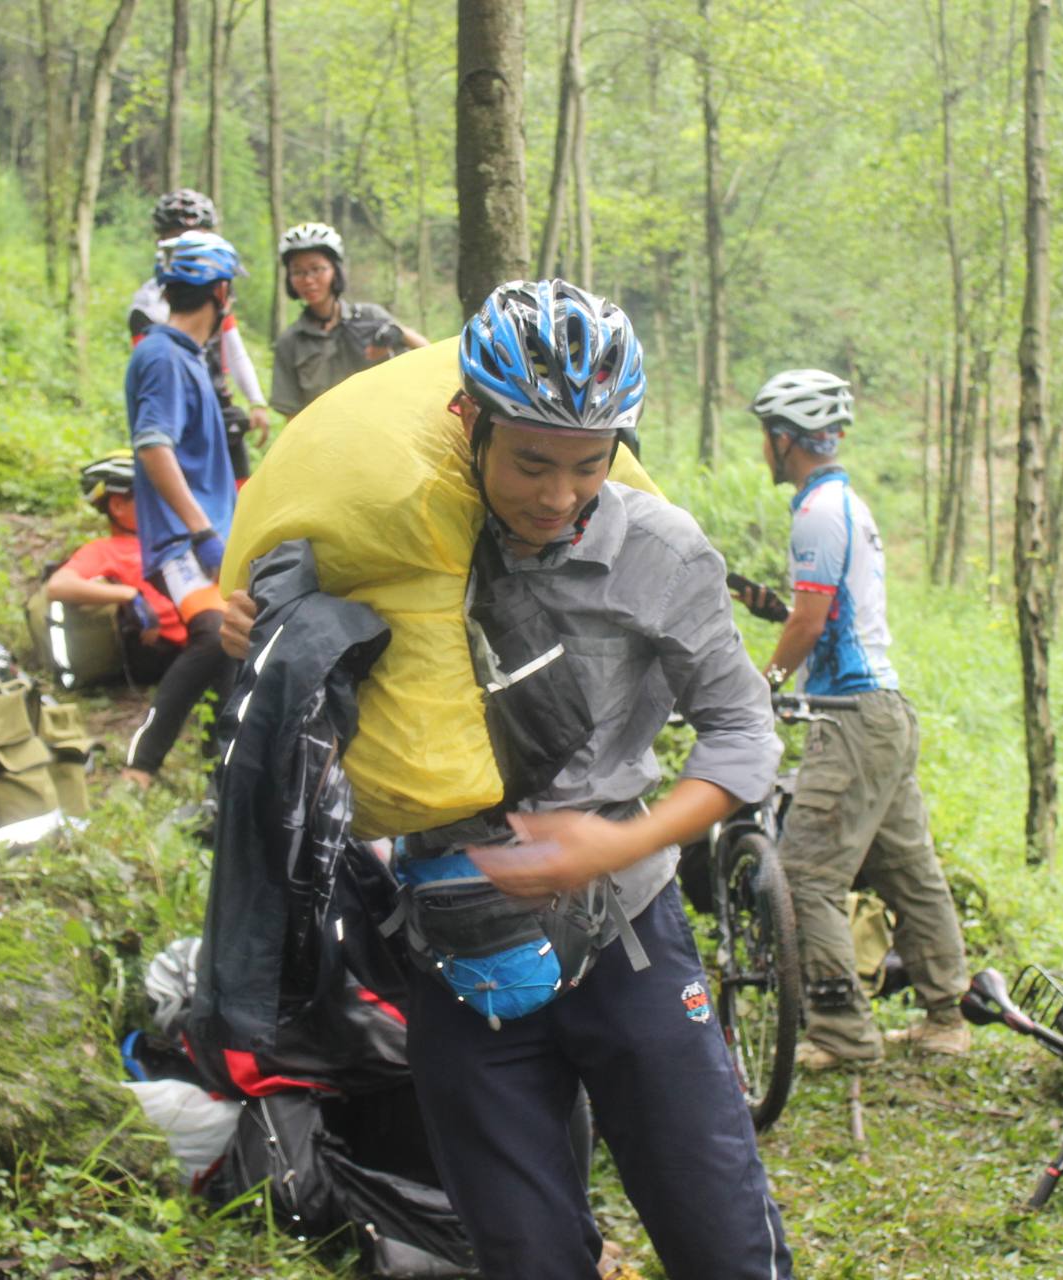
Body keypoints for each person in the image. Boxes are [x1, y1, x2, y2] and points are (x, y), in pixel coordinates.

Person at [226, 279, 792, 1279]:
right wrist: (247, 624)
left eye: (587, 464)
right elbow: (286, 623)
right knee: (523, 1251)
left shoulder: (661, 553)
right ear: (468, 420)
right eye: (530, 460)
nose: (557, 494)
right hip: (454, 949)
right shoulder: (391, 540)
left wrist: (624, 838)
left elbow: (743, 727)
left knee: (721, 1237)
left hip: (629, 934)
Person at [745, 368, 970, 1071]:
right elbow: (825, 615)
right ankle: (946, 1017)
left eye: (765, 437)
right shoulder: (846, 504)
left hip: (849, 715)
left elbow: (815, 622)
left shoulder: (816, 512)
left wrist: (766, 682)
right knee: (910, 870)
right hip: (886, 713)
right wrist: (780, 615)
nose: (763, 449)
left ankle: (842, 1034)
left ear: (785, 441)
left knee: (807, 875)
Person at [120, 231, 245, 788]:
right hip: (187, 537)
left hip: (213, 529)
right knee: (215, 635)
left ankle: (221, 779)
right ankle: (140, 769)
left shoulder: (188, 358)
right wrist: (201, 532)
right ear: (222, 292)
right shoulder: (163, 356)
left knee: (234, 649)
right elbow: (153, 445)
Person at [126, 189, 271, 479]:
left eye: (197, 233)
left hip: (219, 404)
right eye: (176, 235)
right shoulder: (146, 304)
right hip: (179, 415)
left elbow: (235, 349)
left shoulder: (216, 295)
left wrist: (256, 401)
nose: (187, 242)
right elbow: (154, 379)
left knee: (238, 493)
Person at [41, 453, 188, 692]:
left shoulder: (166, 541)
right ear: (118, 506)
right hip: (169, 649)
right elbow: (58, 585)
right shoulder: (104, 550)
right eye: (147, 497)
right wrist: (130, 595)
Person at [268, 222, 427, 421]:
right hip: (327, 443)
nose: (308, 280)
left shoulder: (370, 317)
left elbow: (427, 355)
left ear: (335, 270)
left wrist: (400, 333)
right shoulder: (290, 342)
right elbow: (292, 417)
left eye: (317, 269)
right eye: (298, 272)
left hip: (385, 431)